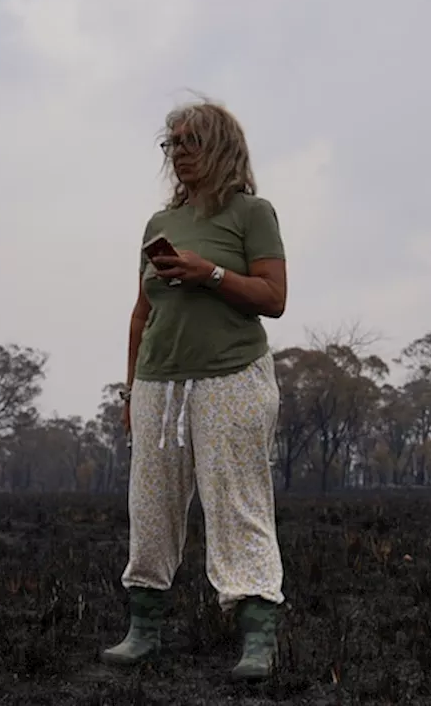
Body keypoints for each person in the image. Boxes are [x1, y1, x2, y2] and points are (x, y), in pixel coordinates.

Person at [100, 97, 288, 682]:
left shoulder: (252, 214)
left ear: (222, 148)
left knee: (237, 506)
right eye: (171, 143)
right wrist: (132, 393)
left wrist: (207, 273)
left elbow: (274, 299)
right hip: (159, 383)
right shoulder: (160, 225)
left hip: (231, 378)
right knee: (150, 509)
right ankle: (143, 629)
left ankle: (257, 639)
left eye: (190, 142)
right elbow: (139, 316)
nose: (177, 153)